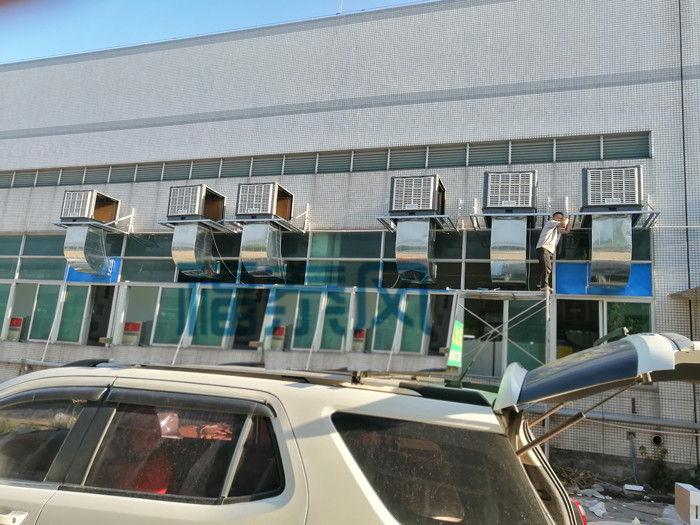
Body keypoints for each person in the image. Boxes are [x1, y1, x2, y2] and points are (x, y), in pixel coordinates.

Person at [536, 211, 571, 291]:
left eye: (561, 218)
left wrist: (568, 221)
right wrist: (565, 218)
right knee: (547, 267)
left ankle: (539, 284)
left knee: (542, 267)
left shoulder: (556, 230)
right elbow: (563, 224)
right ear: (553, 218)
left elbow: (567, 230)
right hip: (544, 248)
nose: (559, 219)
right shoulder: (550, 222)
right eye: (558, 217)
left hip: (546, 249)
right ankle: (544, 285)